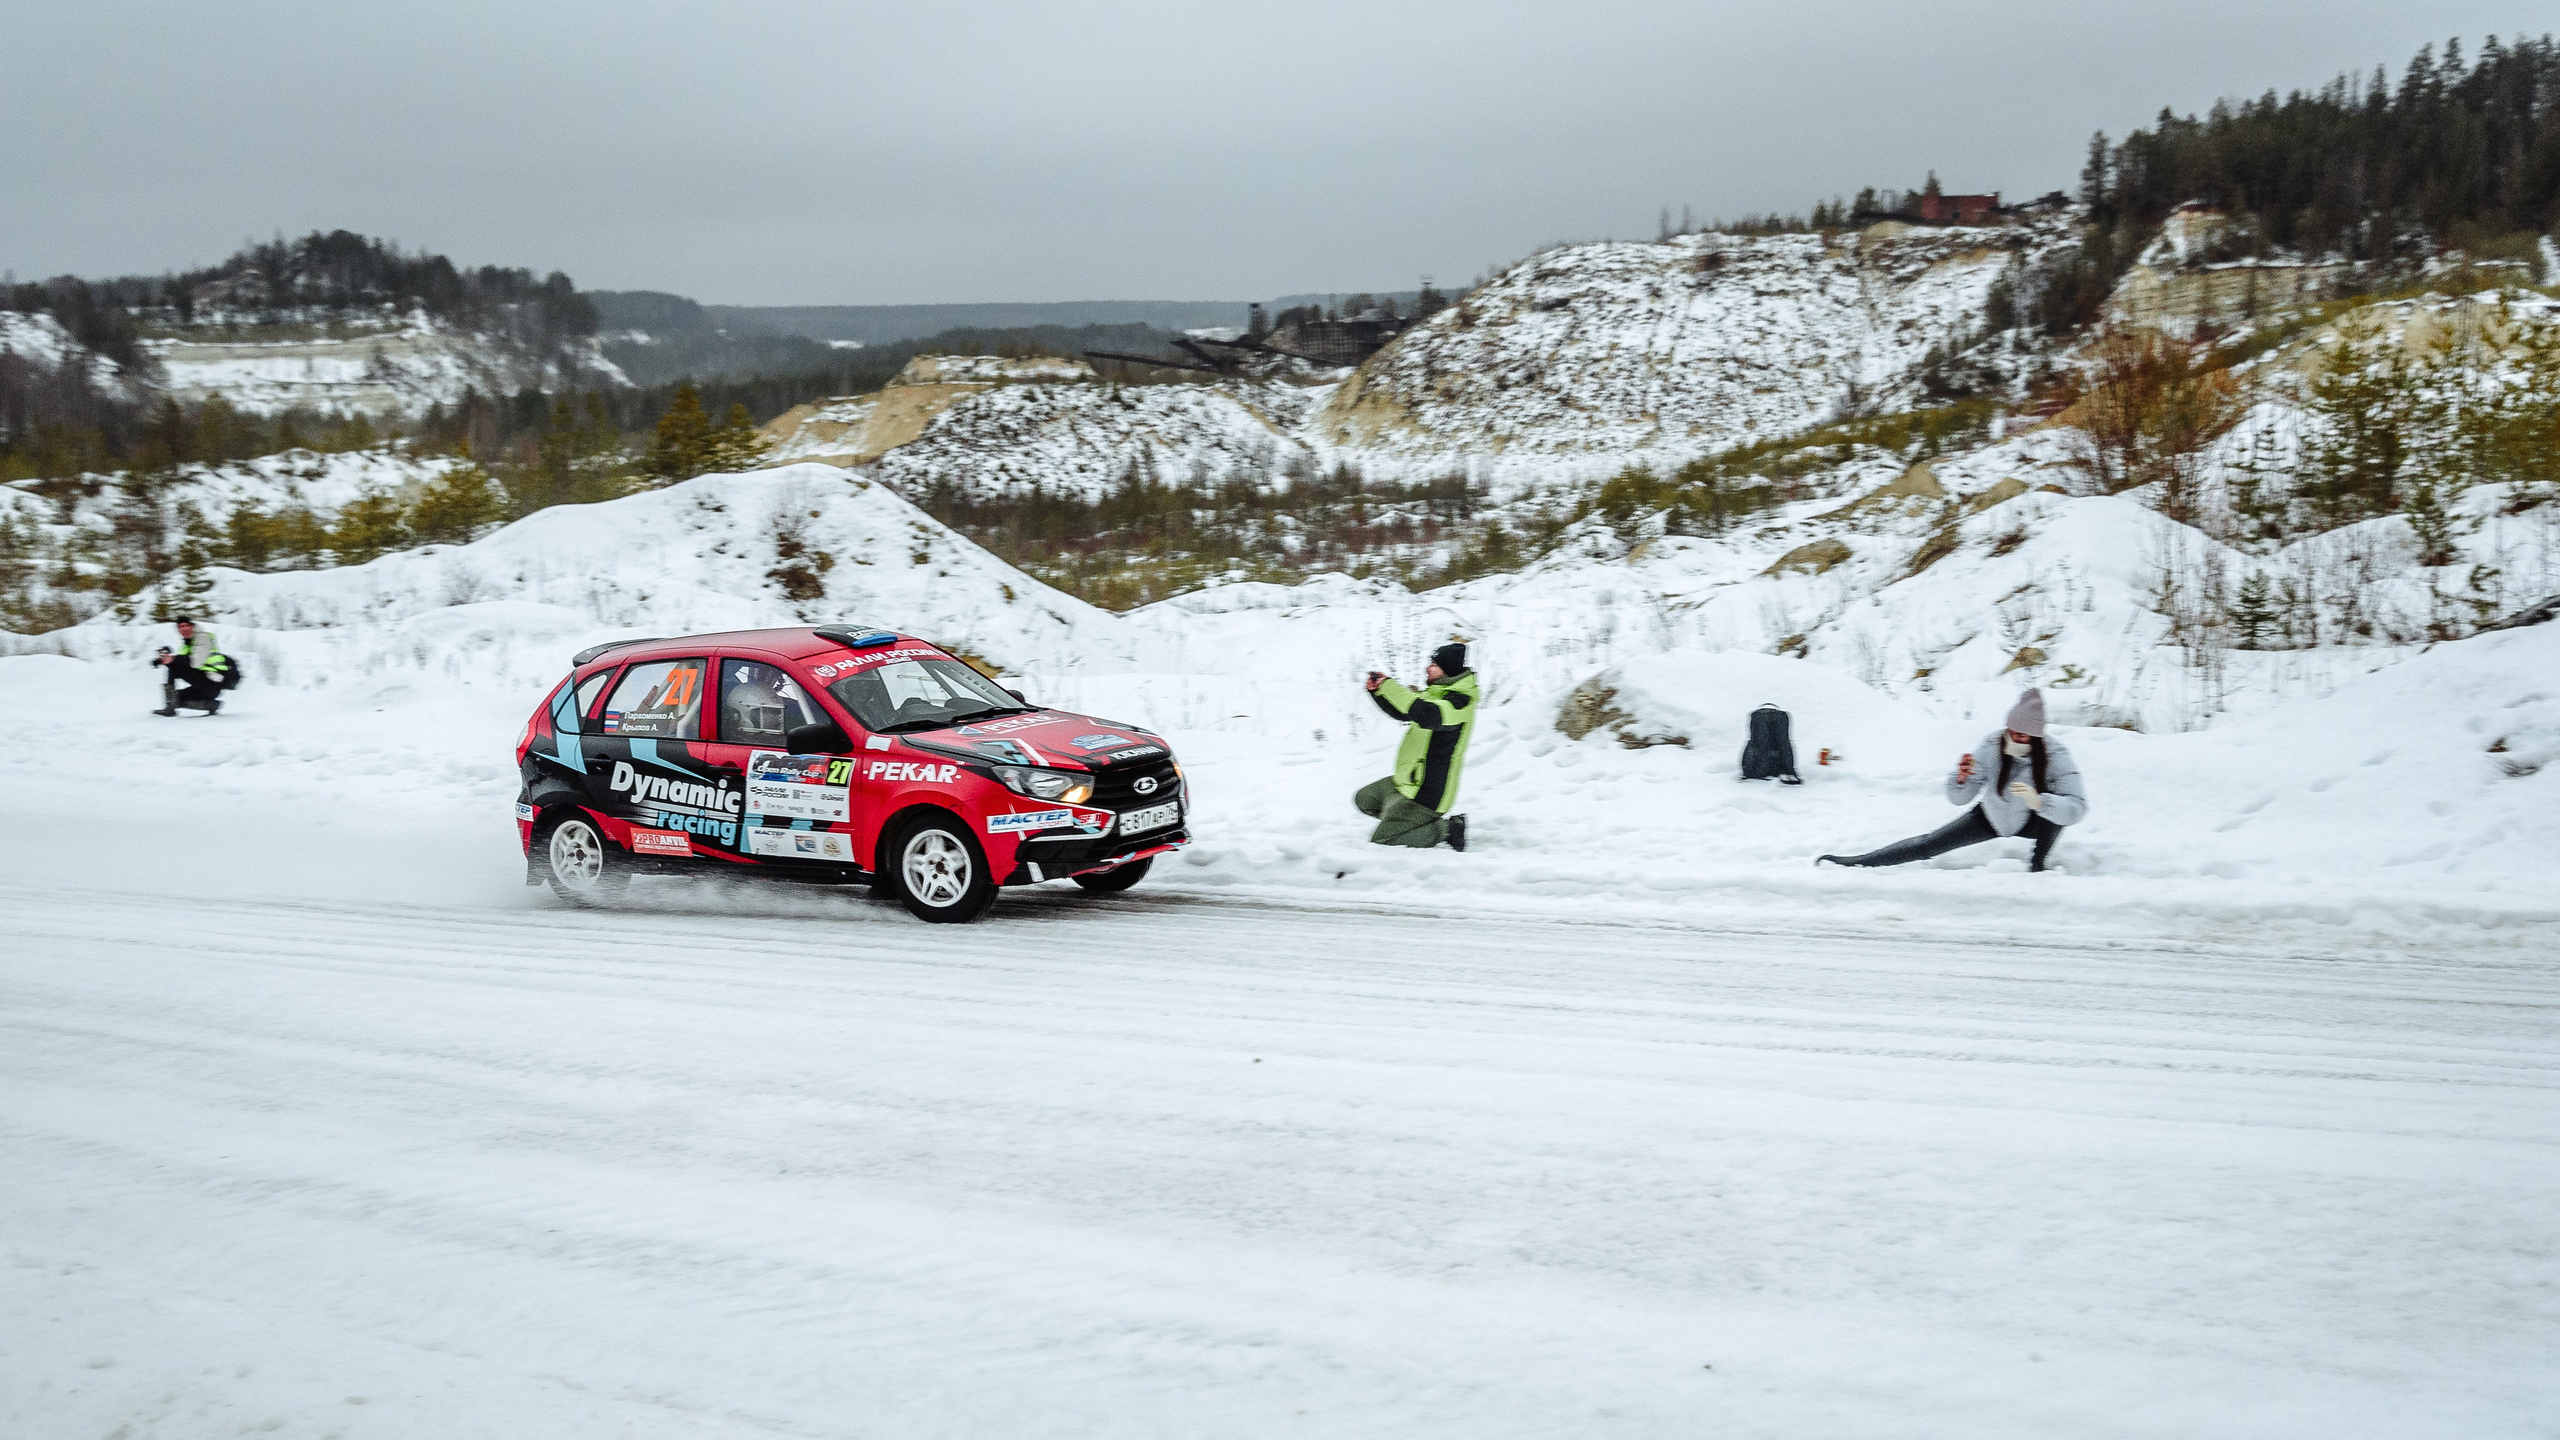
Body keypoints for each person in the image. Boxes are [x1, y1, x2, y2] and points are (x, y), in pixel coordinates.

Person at [1818, 687, 2087, 873]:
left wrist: (2040, 802)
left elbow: (2076, 808)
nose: (2015, 738)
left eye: (2023, 735)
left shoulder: (2056, 755)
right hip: (1992, 817)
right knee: (1929, 844)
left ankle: (2038, 869)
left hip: (2033, 821)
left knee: (2057, 814)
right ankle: (1860, 862)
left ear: (2038, 737)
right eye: (2012, 732)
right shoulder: (1993, 744)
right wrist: (1962, 779)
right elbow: (1959, 799)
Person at [1355, 642, 1479, 851]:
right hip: (1406, 783)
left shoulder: (1460, 702)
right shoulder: (1436, 693)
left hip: (1428, 794)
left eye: (1434, 664)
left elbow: (1426, 713)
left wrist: (1388, 685)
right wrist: (1377, 692)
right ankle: (1404, 821)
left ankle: (1447, 829)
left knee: (1383, 841)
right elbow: (1405, 711)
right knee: (1364, 800)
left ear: (1447, 669)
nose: (1427, 667)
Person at [151, 616, 230, 717]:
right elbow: (182, 662)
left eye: (185, 626)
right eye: (179, 627)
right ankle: (211, 705)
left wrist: (172, 659)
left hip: (211, 683)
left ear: (192, 626)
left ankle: (169, 708)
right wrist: (163, 660)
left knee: (174, 668)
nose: (182, 629)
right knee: (176, 698)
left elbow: (195, 662)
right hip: (202, 685)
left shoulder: (203, 638)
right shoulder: (188, 644)